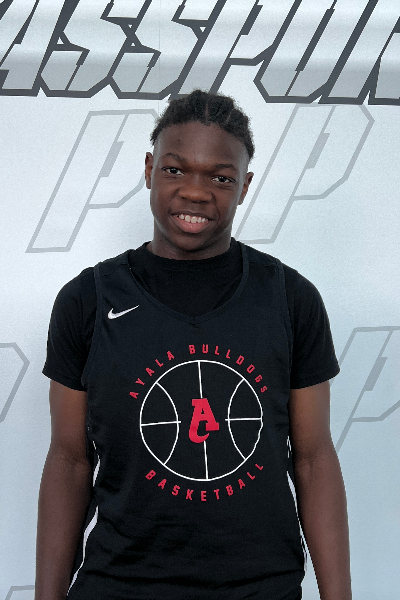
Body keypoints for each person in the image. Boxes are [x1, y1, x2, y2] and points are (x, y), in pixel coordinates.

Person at [35, 89, 352, 600]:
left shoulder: (290, 298)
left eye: (221, 178)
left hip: (260, 587)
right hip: (119, 586)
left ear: (245, 186)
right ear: (149, 170)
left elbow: (313, 459)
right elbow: (70, 461)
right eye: (175, 169)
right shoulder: (87, 300)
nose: (195, 192)